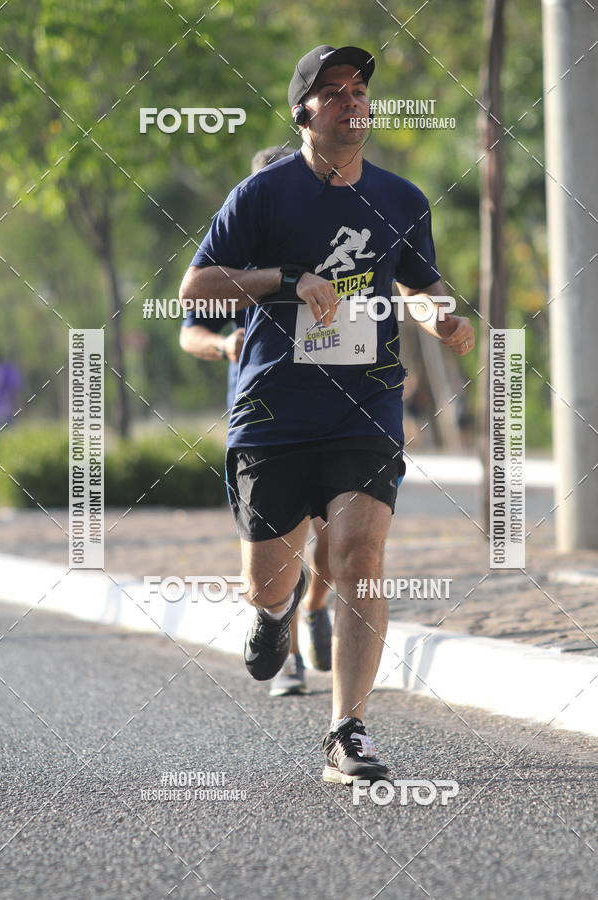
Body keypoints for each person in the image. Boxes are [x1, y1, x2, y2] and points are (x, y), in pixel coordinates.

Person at [179, 45, 475, 785]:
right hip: (275, 409)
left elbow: (418, 280)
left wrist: (441, 314)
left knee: (359, 557)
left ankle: (347, 731)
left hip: (366, 402)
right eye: (334, 91)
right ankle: (275, 614)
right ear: (304, 110)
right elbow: (195, 293)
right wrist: (287, 279)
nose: (352, 100)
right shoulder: (264, 195)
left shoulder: (402, 198)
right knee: (269, 579)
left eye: (360, 88)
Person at [179, 146, 333, 698]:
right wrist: (224, 344)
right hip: (264, 416)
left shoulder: (323, 248)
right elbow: (188, 329)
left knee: (335, 539)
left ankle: (315, 605)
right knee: (279, 547)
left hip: (331, 410)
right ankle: (286, 655)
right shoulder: (234, 261)